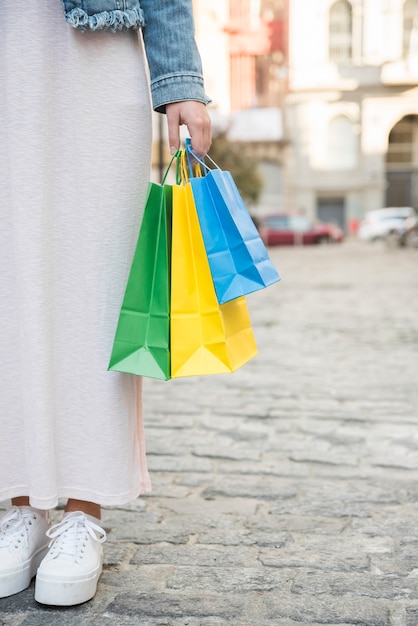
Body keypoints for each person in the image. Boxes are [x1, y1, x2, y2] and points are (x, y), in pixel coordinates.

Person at [0, 0, 211, 607]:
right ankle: (24, 502)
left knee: (95, 289)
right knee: (13, 289)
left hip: (93, 60)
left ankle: (83, 507)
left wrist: (181, 85)